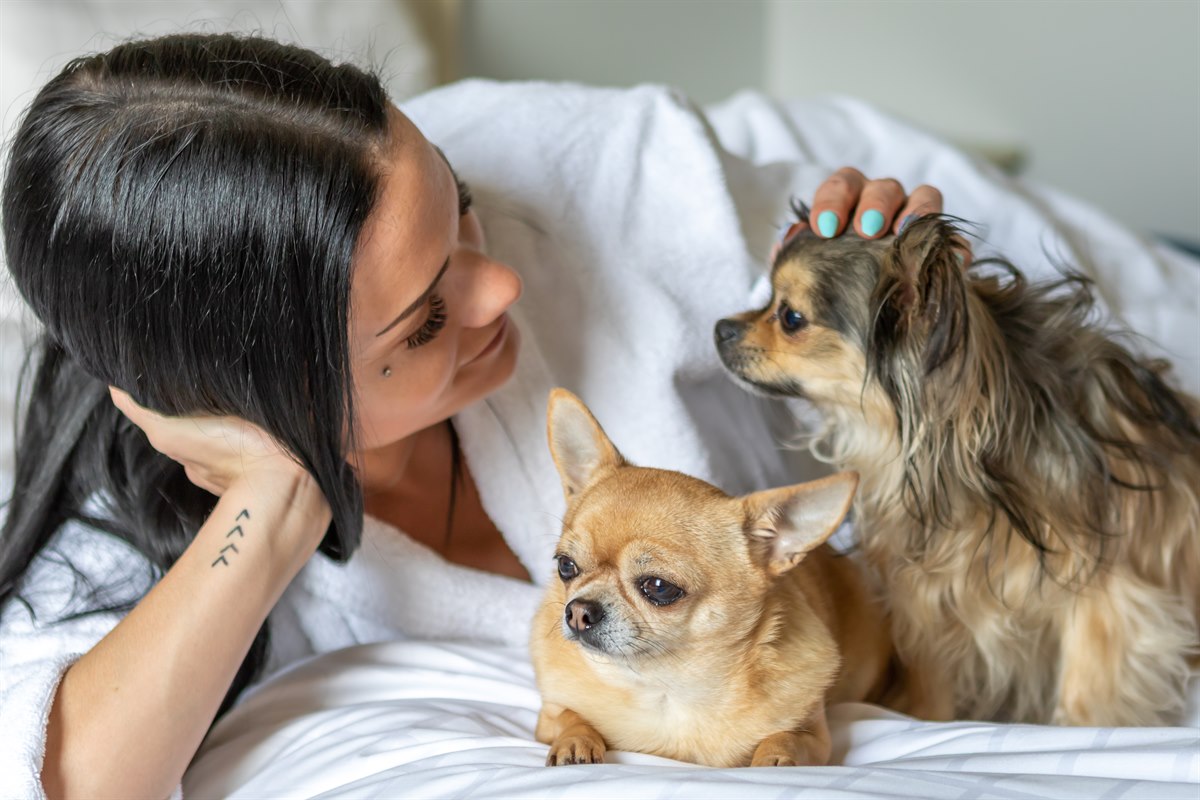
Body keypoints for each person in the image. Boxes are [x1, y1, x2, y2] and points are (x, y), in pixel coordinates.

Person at [0, 33, 946, 798]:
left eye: (463, 210)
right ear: (269, 392)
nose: (501, 287)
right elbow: (77, 781)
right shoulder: (122, 518)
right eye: (428, 319)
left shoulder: (573, 171)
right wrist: (280, 493)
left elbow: (985, 324)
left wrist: (890, 277)